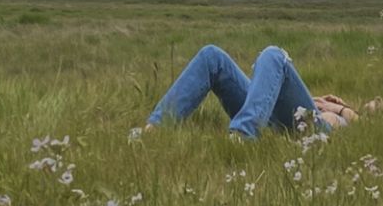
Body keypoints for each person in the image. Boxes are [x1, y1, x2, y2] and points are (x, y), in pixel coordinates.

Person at [135, 44, 360, 140]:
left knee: (275, 55)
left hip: (316, 129)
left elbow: (363, 119)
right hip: (275, 112)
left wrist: (339, 108)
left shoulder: (364, 116)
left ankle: (243, 134)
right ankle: (153, 131)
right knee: (211, 56)